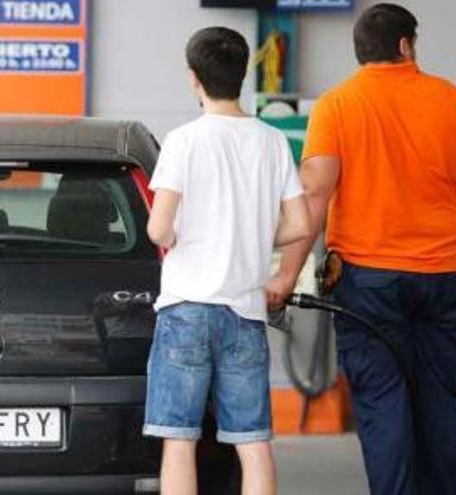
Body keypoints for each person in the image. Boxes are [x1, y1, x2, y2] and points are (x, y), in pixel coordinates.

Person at [267, 4, 456, 494]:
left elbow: (315, 194)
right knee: (440, 398)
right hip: (444, 274)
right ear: (405, 45)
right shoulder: (450, 99)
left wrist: (287, 274)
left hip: (368, 281)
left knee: (382, 401)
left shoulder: (337, 104)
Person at [143, 27, 310, 495]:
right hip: (245, 312)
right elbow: (300, 223)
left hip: (186, 311)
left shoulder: (183, 141)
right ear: (243, 76)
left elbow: (158, 229)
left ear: (193, 79)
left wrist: (184, 234)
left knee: (179, 441)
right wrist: (253, 238)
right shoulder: (272, 141)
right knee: (252, 442)